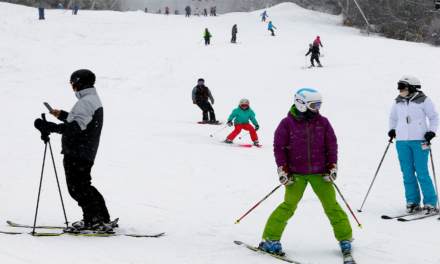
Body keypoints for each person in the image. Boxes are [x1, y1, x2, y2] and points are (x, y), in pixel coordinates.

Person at [259, 88, 354, 263]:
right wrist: (282, 168)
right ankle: (271, 239)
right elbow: (279, 148)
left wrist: (332, 165)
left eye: (319, 104)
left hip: (321, 173)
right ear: (301, 104)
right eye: (314, 105)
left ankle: (345, 238)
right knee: (288, 206)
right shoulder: (286, 123)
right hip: (295, 174)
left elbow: (332, 145)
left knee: (332, 206)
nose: (317, 108)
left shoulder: (323, 122)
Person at [33, 69, 113, 232]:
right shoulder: (92, 99)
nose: (72, 87)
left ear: (79, 83)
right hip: (84, 150)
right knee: (84, 185)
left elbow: (77, 126)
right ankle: (101, 217)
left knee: (77, 188)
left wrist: (52, 127)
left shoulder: (85, 102)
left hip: (77, 151)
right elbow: (83, 121)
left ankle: (93, 220)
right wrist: (62, 115)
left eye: (72, 84)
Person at [388, 75, 439, 215]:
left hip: (420, 141)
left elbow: (434, 117)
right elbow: (393, 117)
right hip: (402, 142)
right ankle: (413, 202)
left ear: (412, 87)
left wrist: (431, 132)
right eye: (399, 86)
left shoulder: (424, 101)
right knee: (407, 173)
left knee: (422, 172)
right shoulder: (398, 102)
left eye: (402, 86)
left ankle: (431, 203)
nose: (400, 90)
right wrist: (392, 129)